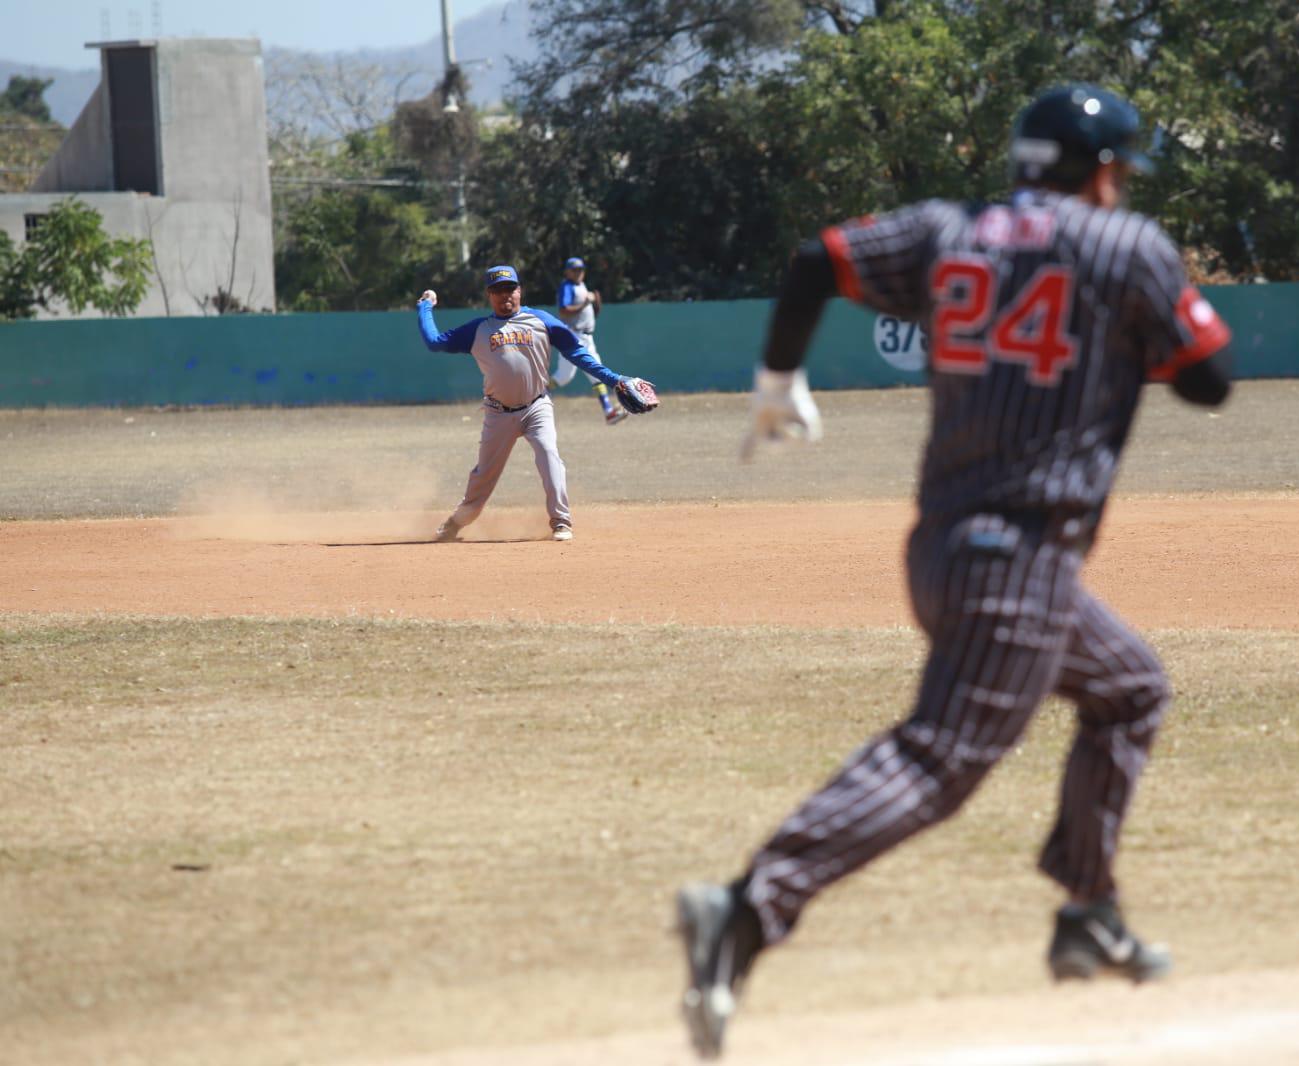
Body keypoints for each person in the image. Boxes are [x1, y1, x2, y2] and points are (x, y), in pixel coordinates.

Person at [675, 84, 1235, 1059]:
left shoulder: (950, 229)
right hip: (1020, 554)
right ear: (1101, 170)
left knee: (1130, 687)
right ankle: (748, 907)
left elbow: (817, 259)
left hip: (946, 546)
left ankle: (1088, 910)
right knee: (938, 758)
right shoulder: (1125, 244)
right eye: (1117, 170)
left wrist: (777, 378)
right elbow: (1208, 380)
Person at [416, 264, 655, 543]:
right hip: (498, 413)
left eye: (510, 288)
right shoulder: (478, 330)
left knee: (549, 456)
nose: (505, 295)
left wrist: (614, 380)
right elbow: (434, 342)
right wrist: (425, 306)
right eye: (497, 290)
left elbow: (577, 354)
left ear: (519, 290)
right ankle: (455, 523)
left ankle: (561, 521)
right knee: (483, 478)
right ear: (489, 295)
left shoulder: (542, 321)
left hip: (536, 406)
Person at [551, 256, 628, 425]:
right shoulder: (567, 286)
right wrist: (586, 302)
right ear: (567, 272)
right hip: (572, 337)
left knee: (596, 373)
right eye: (574, 270)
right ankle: (531, 396)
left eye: (581, 269)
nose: (578, 272)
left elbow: (590, 314)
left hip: (586, 337)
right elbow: (564, 311)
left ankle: (608, 412)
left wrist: (596, 304)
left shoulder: (582, 286)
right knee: (563, 377)